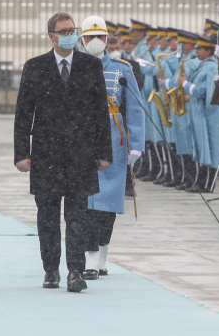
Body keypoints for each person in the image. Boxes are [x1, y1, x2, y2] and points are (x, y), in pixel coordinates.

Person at [13, 12, 112, 293]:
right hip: (46, 153)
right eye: (64, 30)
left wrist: (103, 152)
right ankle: (51, 269)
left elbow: (100, 113)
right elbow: (23, 114)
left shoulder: (90, 66)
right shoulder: (35, 67)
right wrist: (22, 153)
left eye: (73, 29)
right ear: (52, 36)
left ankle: (76, 271)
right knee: (47, 216)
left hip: (81, 153)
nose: (70, 34)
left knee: (78, 217)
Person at [77, 17, 145, 280]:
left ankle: (101, 254)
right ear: (82, 39)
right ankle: (89, 257)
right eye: (90, 37)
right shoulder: (74, 66)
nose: (95, 42)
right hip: (81, 140)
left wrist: (137, 144)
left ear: (107, 39)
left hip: (114, 140)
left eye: (101, 37)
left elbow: (136, 108)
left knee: (107, 202)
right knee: (85, 203)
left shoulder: (121, 68)